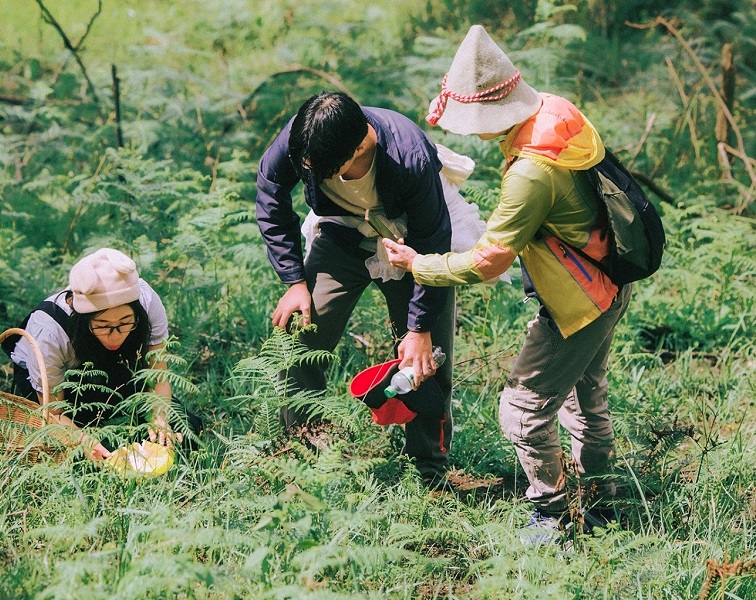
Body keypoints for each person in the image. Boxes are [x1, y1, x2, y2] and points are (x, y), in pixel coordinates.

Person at [383, 25, 631, 536]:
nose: (470, 131)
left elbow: (489, 261)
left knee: (521, 409)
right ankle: (604, 502)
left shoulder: (530, 173)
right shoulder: (555, 113)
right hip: (611, 278)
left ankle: (552, 515)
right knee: (583, 394)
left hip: (580, 299)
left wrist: (418, 265)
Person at [255, 91, 457, 488]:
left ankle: (428, 472)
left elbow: (433, 242)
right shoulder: (305, 136)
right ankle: (305, 449)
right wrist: (294, 280)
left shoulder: (408, 155)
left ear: (362, 143)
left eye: (324, 171)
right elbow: (270, 191)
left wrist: (418, 327)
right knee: (300, 335)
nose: (313, 175)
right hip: (340, 237)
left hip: (410, 245)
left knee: (426, 360)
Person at [10, 248, 178, 460]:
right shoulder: (49, 331)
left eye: (126, 322)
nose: (115, 336)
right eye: (102, 325)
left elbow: (158, 376)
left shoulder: (147, 301)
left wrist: (159, 417)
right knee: (84, 451)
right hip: (54, 386)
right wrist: (83, 440)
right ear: (84, 321)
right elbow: (53, 413)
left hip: (110, 366)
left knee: (180, 431)